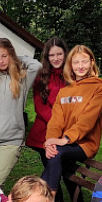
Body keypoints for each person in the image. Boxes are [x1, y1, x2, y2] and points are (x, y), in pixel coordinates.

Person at [42, 45, 102, 202]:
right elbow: (56, 121)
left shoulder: (100, 88)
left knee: (56, 155)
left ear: (92, 62)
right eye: (76, 62)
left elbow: (87, 120)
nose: (80, 66)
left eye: (84, 61)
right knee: (56, 156)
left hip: (84, 144)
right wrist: (50, 141)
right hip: (64, 144)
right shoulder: (64, 92)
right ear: (70, 65)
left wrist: (65, 139)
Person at [0, 38, 40, 185]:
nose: (1, 60)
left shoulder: (21, 78)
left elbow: (36, 65)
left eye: (5, 56)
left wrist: (17, 58)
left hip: (11, 140)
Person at [25, 37, 68, 187]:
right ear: (47, 57)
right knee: (51, 173)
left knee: (68, 173)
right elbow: (40, 107)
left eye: (59, 54)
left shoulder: (72, 75)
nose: (56, 58)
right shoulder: (41, 76)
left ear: (65, 54)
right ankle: (55, 199)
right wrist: (57, 125)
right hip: (45, 131)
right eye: (52, 55)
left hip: (68, 131)